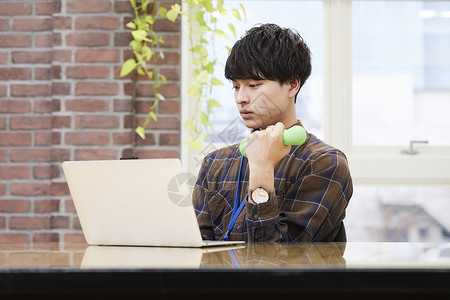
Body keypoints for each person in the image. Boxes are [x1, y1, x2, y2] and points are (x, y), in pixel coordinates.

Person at [192, 23, 353, 242]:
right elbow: (195, 250)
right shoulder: (215, 164)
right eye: (236, 86)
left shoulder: (324, 163)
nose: (241, 98)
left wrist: (261, 170)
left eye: (254, 84)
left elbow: (277, 261)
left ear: (292, 85)